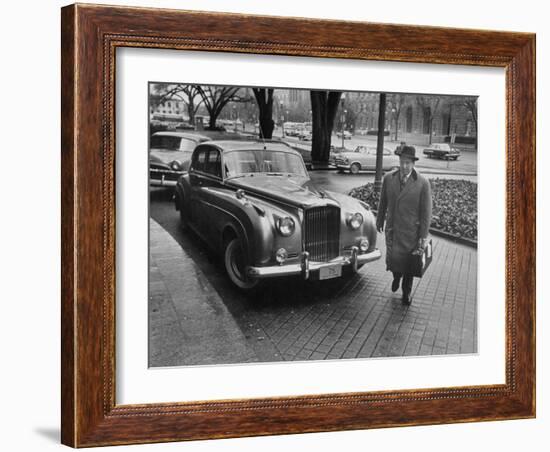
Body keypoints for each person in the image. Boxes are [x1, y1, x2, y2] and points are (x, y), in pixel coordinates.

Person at [376, 145, 432, 304]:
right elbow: (383, 203)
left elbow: (426, 212)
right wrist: (379, 219)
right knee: (394, 260)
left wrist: (423, 236)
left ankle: (406, 293)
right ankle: (396, 276)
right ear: (399, 161)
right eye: (402, 162)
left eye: (408, 163)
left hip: (410, 232)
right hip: (393, 230)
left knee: (409, 264)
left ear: (413, 164)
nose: (404, 166)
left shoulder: (422, 183)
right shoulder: (389, 178)